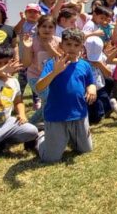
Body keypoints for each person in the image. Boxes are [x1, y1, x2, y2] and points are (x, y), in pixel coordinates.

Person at [34, 28, 96, 163]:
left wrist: (92, 89)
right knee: (51, 158)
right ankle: (41, 136)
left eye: (76, 45)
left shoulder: (85, 65)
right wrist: (55, 72)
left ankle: (67, 138)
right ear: (61, 45)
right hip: (56, 116)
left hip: (79, 115)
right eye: (68, 44)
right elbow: (39, 87)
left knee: (86, 150)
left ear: (81, 47)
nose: (72, 48)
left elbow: (91, 82)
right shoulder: (53, 63)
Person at [21, 15, 62, 122]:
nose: (47, 29)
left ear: (55, 28)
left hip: (53, 78)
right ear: (38, 27)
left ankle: (44, 124)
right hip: (36, 77)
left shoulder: (58, 41)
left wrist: (49, 47)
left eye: (50, 27)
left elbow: (61, 59)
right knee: (50, 101)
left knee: (47, 103)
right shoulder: (32, 41)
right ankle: (31, 124)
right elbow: (26, 63)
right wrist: (27, 48)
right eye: (44, 26)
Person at [85, 36, 113, 124]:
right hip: (88, 90)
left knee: (105, 109)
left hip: (100, 87)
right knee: (94, 118)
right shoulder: (81, 60)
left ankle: (110, 106)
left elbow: (108, 74)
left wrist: (100, 65)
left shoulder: (102, 57)